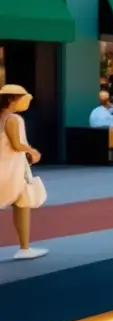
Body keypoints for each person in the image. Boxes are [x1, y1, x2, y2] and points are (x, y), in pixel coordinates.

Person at [0, 84, 47, 260]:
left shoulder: (3, 117)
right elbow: (16, 144)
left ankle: (25, 247)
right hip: (11, 167)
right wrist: (33, 151)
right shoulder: (13, 119)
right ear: (13, 100)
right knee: (21, 202)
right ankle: (24, 248)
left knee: (22, 202)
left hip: (8, 164)